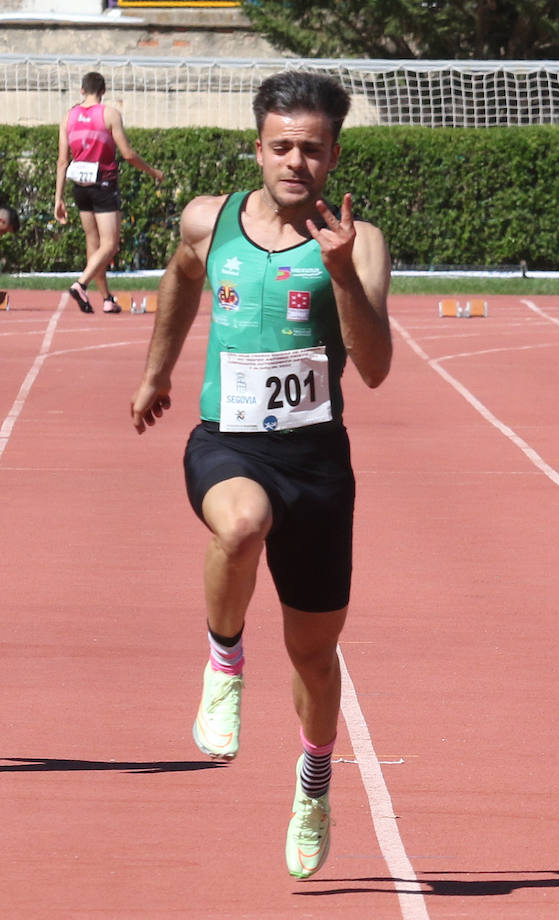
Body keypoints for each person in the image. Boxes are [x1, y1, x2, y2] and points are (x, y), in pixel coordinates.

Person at [129, 71, 392, 880]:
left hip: (316, 464)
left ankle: (313, 784)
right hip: (228, 442)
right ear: (258, 147)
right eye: (281, 146)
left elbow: (376, 368)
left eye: (312, 149)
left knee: (315, 657)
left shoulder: (361, 241)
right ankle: (224, 662)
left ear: (334, 155)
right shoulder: (210, 220)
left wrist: (342, 272)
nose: (296, 162)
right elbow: (178, 278)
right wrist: (158, 371)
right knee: (238, 523)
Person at [54, 71, 163, 315]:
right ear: (103, 91)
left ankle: (106, 298)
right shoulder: (109, 114)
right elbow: (128, 154)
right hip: (103, 182)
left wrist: (58, 198)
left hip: (78, 186)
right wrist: (153, 172)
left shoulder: (68, 117)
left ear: (82, 91)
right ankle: (80, 284)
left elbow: (62, 161)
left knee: (94, 246)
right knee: (110, 244)